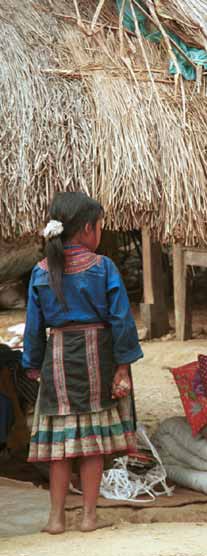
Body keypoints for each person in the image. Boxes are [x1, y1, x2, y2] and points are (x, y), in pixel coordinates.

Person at [23, 191, 143, 534]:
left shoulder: (40, 271)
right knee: (92, 445)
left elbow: (34, 326)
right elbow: (121, 320)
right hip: (96, 360)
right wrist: (123, 366)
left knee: (60, 449)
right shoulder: (103, 267)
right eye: (100, 226)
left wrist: (32, 365)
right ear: (88, 228)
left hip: (57, 359)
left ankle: (56, 518)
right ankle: (89, 517)